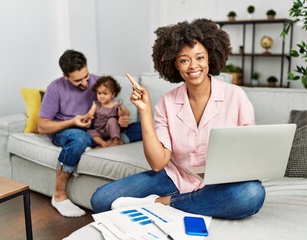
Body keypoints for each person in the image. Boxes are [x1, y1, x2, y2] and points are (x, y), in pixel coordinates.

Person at [91, 19, 265, 219]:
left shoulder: (236, 96)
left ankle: (159, 203)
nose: (193, 66)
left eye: (200, 57)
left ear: (210, 58)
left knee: (251, 194)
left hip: (221, 181)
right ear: (174, 63)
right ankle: (197, 202)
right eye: (184, 60)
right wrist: (145, 111)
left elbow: (247, 154)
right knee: (102, 199)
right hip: (176, 176)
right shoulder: (167, 103)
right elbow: (157, 163)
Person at [38, 49, 130, 217]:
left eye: (86, 76)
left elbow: (111, 109)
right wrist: (72, 121)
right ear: (66, 77)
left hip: (95, 128)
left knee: (140, 128)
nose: (85, 83)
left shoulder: (97, 82)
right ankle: (59, 196)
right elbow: (42, 126)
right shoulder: (55, 88)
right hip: (67, 130)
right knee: (79, 138)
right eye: (78, 80)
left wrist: (122, 121)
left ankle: (97, 142)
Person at [85, 76, 128, 147]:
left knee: (112, 120)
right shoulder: (96, 104)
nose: (101, 96)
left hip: (110, 130)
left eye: (105, 93)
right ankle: (102, 143)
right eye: (99, 93)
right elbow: (90, 114)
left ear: (113, 94)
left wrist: (123, 113)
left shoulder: (116, 104)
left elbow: (127, 113)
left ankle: (115, 140)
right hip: (99, 131)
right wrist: (88, 116)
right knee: (90, 132)